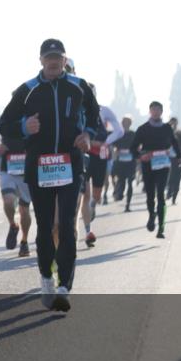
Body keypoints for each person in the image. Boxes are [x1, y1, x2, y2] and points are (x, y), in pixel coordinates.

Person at [0, 39, 98, 312]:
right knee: (44, 227)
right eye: (48, 57)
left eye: (58, 58)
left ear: (65, 60)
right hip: (39, 167)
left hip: (70, 165)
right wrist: (24, 126)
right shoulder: (27, 90)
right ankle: (46, 278)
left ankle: (64, 286)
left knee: (65, 225)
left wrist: (88, 134)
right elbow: (3, 125)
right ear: (41, 61)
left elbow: (95, 116)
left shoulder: (79, 86)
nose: (53, 62)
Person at [130, 102, 181, 239]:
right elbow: (133, 148)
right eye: (153, 109)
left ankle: (161, 228)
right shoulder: (143, 129)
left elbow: (174, 143)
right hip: (148, 164)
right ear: (150, 111)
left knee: (160, 194)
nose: (155, 112)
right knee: (150, 195)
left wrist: (179, 157)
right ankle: (152, 215)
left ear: (161, 112)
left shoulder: (167, 128)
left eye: (158, 110)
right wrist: (141, 156)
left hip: (163, 164)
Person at [80, 92, 123, 247]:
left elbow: (119, 131)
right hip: (83, 154)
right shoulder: (77, 110)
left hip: (100, 155)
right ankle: (87, 230)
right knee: (84, 193)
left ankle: (93, 205)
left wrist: (106, 143)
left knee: (96, 195)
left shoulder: (104, 110)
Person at [0, 133, 33, 256]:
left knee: (24, 210)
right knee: (8, 201)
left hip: (27, 172)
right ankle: (13, 225)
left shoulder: (35, 121)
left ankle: (24, 241)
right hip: (8, 169)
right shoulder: (4, 122)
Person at [112, 116, 137, 212]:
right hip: (120, 161)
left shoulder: (133, 134)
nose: (126, 124)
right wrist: (116, 152)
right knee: (121, 180)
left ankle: (128, 204)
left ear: (130, 123)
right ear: (122, 123)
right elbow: (113, 145)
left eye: (127, 122)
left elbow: (138, 145)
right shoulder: (119, 134)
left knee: (130, 182)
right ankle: (119, 193)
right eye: (124, 122)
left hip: (131, 162)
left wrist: (135, 153)